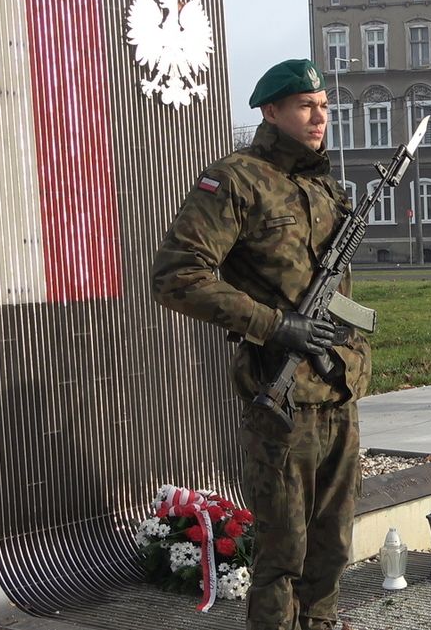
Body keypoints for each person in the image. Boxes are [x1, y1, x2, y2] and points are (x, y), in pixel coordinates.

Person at [151, 59, 370, 630]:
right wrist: (276, 325)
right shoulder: (236, 180)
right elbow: (178, 276)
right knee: (283, 558)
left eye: (323, 104)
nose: (319, 115)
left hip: (336, 389)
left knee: (333, 549)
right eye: (305, 104)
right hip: (281, 400)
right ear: (271, 111)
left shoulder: (323, 182)